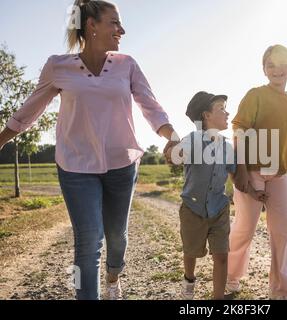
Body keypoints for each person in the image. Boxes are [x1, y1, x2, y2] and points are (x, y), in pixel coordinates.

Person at [0, 0, 179, 300]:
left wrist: (171, 136)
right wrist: (2, 138)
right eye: (115, 22)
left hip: (121, 164)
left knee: (116, 238)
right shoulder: (58, 66)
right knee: (87, 241)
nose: (122, 30)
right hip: (75, 166)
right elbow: (31, 107)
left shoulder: (127, 64)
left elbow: (150, 105)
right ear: (92, 25)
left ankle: (113, 275)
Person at [168, 91, 268, 300]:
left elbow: (235, 177)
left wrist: (253, 192)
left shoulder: (227, 147)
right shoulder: (193, 140)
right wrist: (172, 152)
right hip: (192, 209)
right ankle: (189, 279)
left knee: (222, 256)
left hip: (218, 208)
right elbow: (177, 154)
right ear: (206, 116)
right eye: (221, 109)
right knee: (191, 252)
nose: (227, 112)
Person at [227, 45, 287, 299]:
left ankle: (282, 287)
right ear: (264, 69)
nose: (277, 69)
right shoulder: (256, 95)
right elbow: (239, 129)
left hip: (279, 172)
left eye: (282, 64)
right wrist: (239, 171)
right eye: (270, 65)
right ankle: (230, 277)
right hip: (251, 171)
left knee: (284, 229)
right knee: (245, 228)